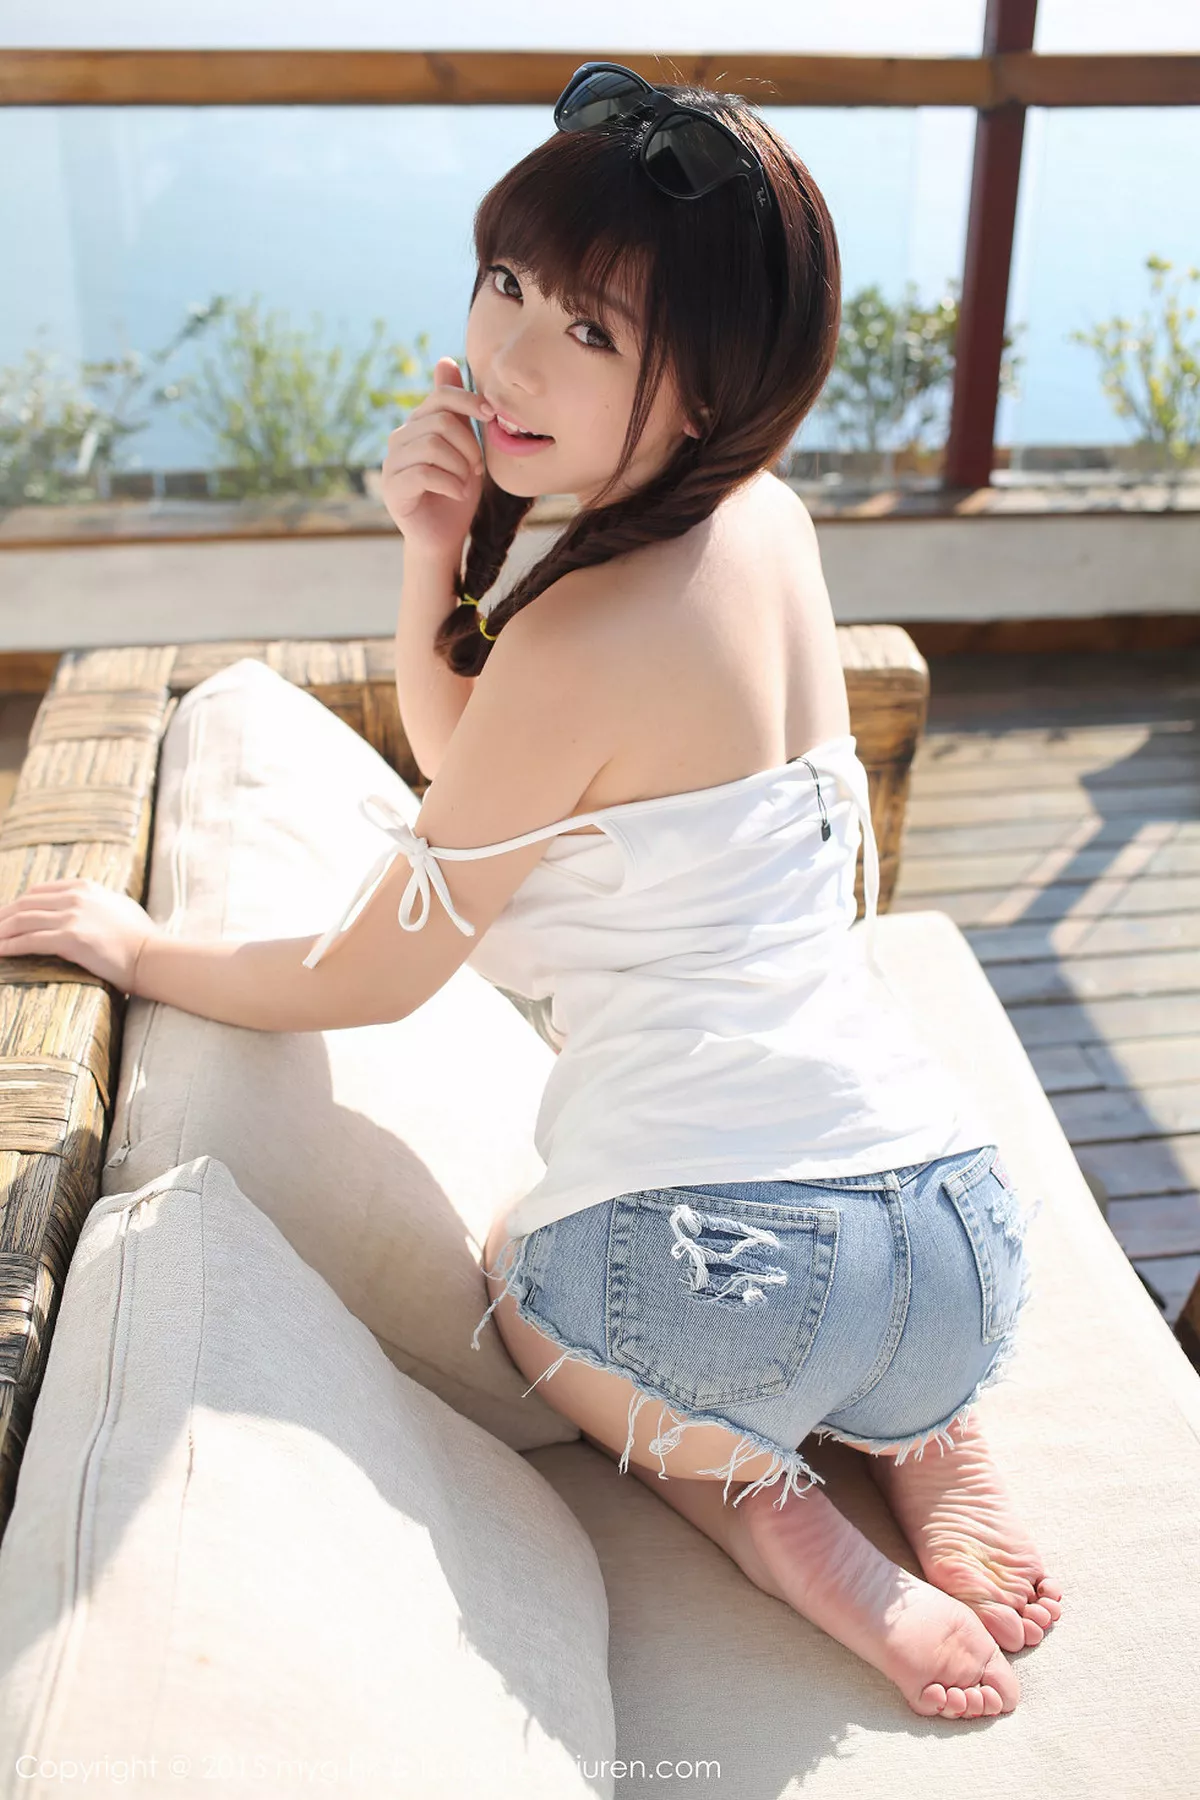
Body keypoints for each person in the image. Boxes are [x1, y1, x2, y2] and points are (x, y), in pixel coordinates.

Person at [0, 65, 1060, 1722]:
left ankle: (774, 1515)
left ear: (711, 381)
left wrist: (142, 946)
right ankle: (930, 1435)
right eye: (506, 282)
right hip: (960, 1232)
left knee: (524, 1267)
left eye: (589, 330)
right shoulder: (770, 525)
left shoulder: (582, 631)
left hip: (732, 1280)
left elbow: (369, 977)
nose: (507, 358)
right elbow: (485, 772)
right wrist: (440, 544)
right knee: (865, 1302)